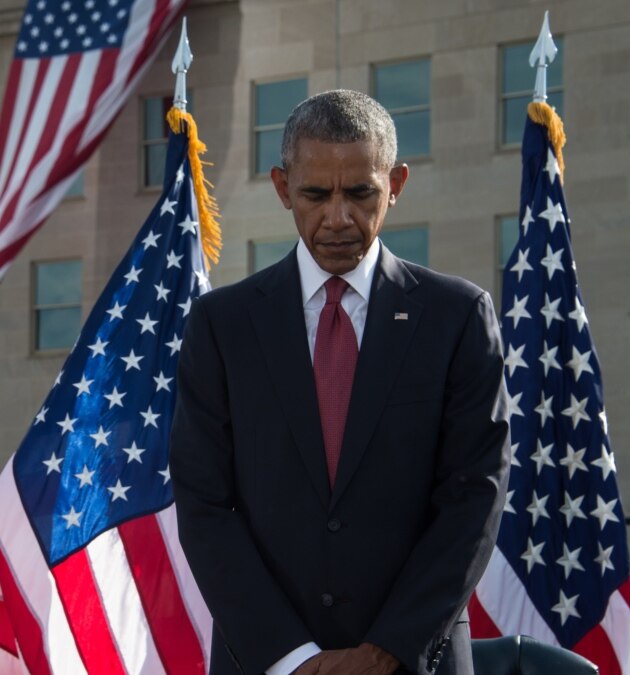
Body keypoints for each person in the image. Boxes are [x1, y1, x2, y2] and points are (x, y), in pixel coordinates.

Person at [170, 89, 510, 675]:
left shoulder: (457, 317)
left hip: (414, 660)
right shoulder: (221, 326)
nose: (338, 217)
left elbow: (473, 498)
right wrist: (292, 659)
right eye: (315, 194)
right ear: (282, 188)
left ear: (396, 183)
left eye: (360, 193)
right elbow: (204, 505)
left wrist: (384, 654)